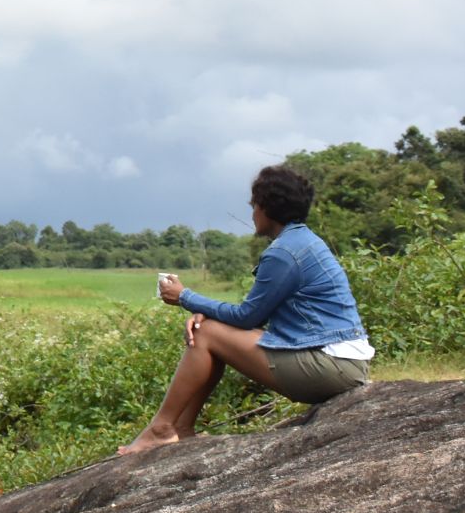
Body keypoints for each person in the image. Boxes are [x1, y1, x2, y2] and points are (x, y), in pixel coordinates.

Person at [118, 164, 374, 456]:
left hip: (331, 365)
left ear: (266, 208)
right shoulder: (303, 241)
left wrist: (186, 297)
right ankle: (181, 429)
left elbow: (247, 317)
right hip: (341, 362)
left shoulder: (283, 252)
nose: (252, 213)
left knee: (206, 335)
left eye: (254, 206)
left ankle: (162, 429)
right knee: (208, 329)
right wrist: (208, 311)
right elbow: (256, 315)